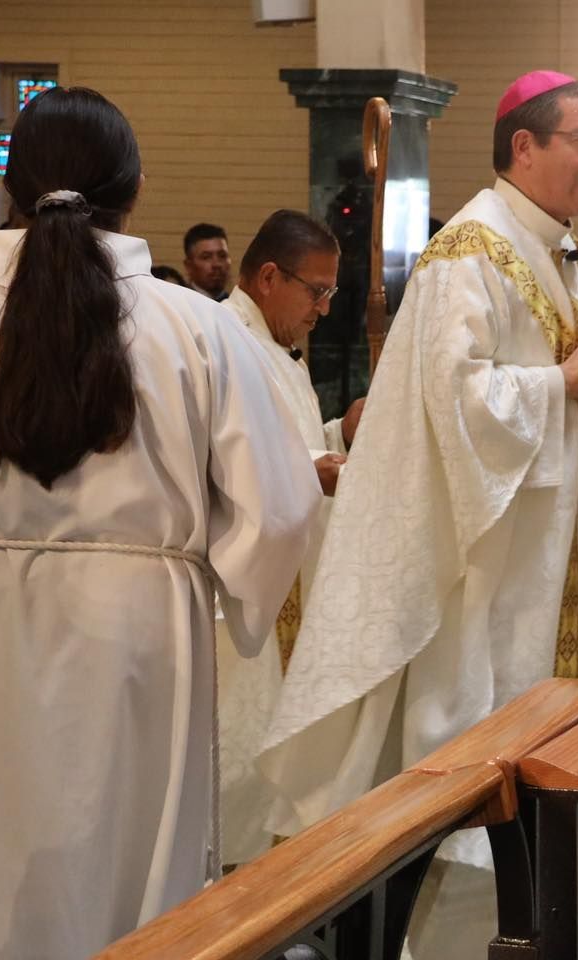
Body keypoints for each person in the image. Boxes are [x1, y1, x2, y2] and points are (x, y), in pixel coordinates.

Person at [0, 86, 321, 959]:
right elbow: (277, 512)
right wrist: (225, 595)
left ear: (10, 189)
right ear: (134, 190)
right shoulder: (196, 328)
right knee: (123, 889)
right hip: (135, 638)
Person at [257, 69, 578, 957]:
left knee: (549, 736)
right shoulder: (469, 252)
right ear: (525, 146)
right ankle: (456, 927)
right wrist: (563, 382)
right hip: (492, 558)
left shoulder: (557, 246)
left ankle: (541, 915)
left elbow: (561, 368)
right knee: (474, 748)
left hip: (549, 547)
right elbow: (454, 402)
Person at [216, 208, 359, 864]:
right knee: (244, 750)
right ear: (270, 276)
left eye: (331, 293)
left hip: (291, 582)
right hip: (243, 600)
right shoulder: (222, 341)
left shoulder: (279, 348)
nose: (324, 308)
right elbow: (219, 467)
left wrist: (337, 434)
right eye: (317, 291)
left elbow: (291, 446)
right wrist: (310, 470)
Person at [183, 222, 231, 300]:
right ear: (188, 266)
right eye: (206, 257)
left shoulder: (237, 305)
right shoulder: (176, 303)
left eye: (222, 256)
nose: (217, 264)